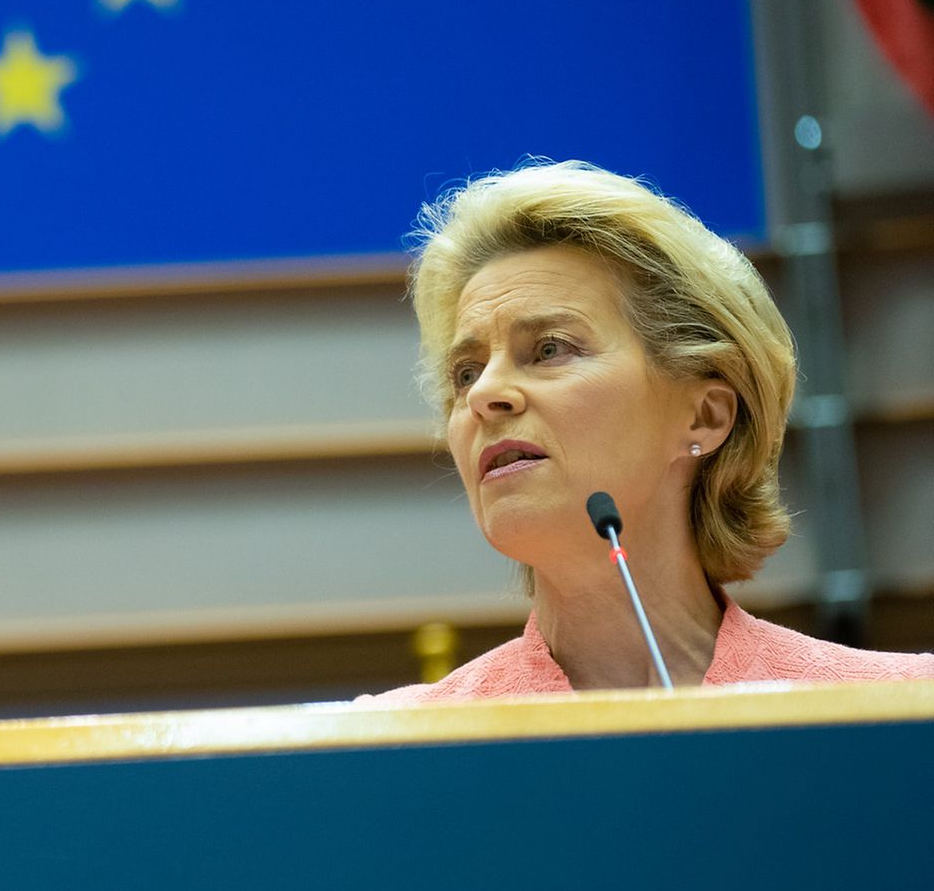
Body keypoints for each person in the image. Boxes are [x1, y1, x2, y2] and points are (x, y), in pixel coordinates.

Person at [361, 160, 933, 704]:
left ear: (705, 416)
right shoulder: (393, 746)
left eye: (550, 349)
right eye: (466, 373)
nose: (484, 394)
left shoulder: (899, 712)